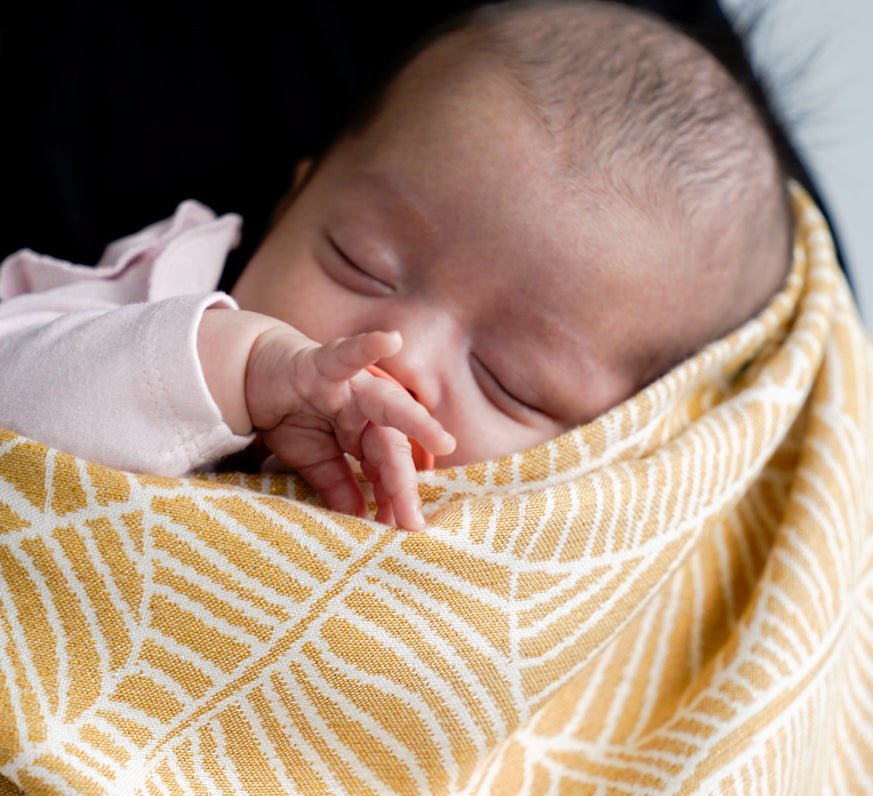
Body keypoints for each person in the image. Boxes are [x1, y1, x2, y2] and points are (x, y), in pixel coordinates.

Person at [0, 0, 792, 531]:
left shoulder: (550, 528)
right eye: (362, 265)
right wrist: (221, 367)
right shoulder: (163, 288)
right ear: (292, 203)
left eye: (510, 378)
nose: (398, 352)